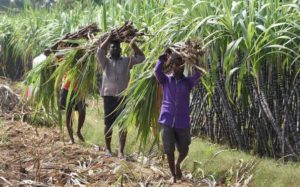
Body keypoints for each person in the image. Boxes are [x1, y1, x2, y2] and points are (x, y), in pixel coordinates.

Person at [154, 52, 202, 183]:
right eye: (177, 64)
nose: (180, 67)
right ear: (172, 65)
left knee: (184, 148)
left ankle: (177, 164)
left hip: (182, 121)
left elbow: (198, 75)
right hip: (167, 119)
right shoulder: (166, 80)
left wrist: (195, 61)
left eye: (182, 65)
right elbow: (157, 71)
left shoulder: (187, 82)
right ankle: (173, 174)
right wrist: (162, 58)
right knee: (169, 149)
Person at [97, 32, 145, 158]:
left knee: (123, 124)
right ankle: (107, 148)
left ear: (120, 49)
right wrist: (109, 38)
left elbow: (141, 57)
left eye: (117, 47)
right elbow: (99, 52)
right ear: (110, 49)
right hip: (108, 96)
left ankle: (121, 151)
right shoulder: (105, 62)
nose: (115, 49)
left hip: (123, 97)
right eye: (113, 47)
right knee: (108, 123)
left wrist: (133, 44)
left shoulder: (127, 61)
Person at [60, 74, 86, 144]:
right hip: (66, 89)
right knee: (68, 114)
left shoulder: (82, 63)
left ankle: (78, 131)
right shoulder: (65, 63)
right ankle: (71, 139)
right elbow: (56, 63)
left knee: (82, 111)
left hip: (79, 90)